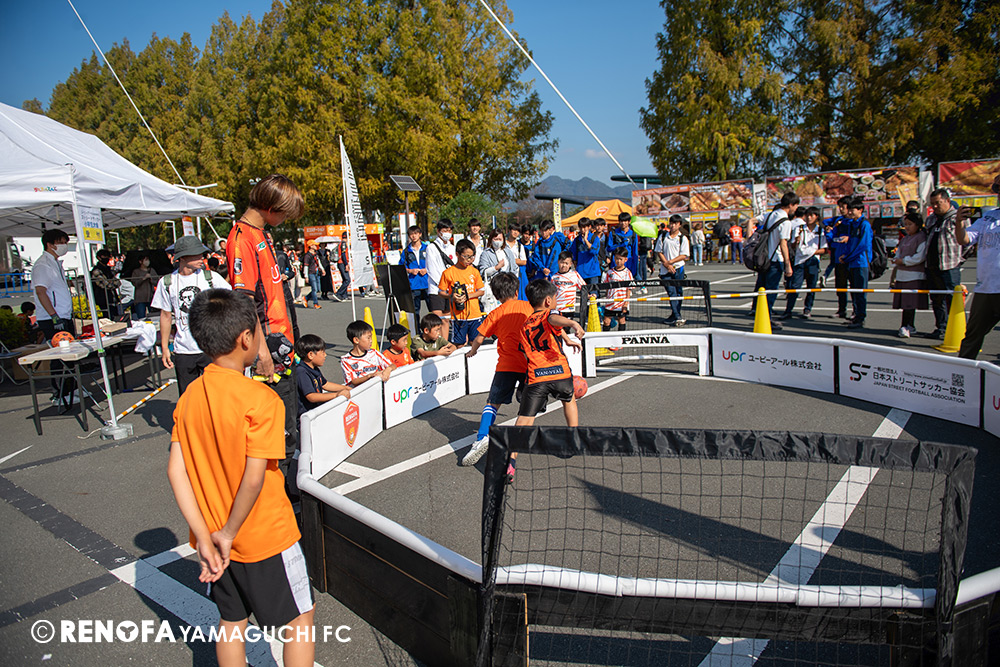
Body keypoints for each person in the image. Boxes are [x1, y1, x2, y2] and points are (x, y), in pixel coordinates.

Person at [167, 288, 315, 666]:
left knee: (231, 622)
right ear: (246, 338)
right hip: (263, 533)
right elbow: (254, 478)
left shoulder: (190, 395)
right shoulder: (261, 399)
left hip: (213, 535)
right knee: (299, 621)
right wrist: (229, 533)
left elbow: (175, 470)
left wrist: (205, 536)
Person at [226, 173, 304, 496]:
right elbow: (244, 301)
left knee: (290, 428)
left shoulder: (261, 235)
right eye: (285, 212)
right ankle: (276, 502)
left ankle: (286, 497)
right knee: (277, 436)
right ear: (271, 207)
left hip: (283, 345)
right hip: (267, 350)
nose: (286, 219)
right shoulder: (241, 238)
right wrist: (260, 352)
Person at [510, 279, 586, 482]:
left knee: (525, 418)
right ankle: (573, 438)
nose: (555, 301)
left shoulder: (525, 325)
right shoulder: (550, 314)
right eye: (554, 298)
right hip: (559, 372)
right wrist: (573, 323)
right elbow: (553, 319)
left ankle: (511, 459)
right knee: (569, 401)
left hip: (537, 376)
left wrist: (566, 339)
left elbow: (546, 330)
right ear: (547, 301)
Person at [461, 273, 533, 466]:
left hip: (506, 365)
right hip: (529, 365)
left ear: (496, 295)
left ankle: (482, 436)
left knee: (492, 403)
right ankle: (514, 447)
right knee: (527, 409)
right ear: (517, 291)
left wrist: (472, 351)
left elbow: (479, 337)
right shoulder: (529, 307)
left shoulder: (495, 313)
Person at [152, 235, 232, 395]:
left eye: (202, 254)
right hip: (183, 350)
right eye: (196, 254)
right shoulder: (167, 282)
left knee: (217, 395)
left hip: (211, 348)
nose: (202, 258)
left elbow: (232, 302)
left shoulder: (210, 278)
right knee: (189, 398)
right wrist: (165, 347)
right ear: (182, 257)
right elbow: (166, 316)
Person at [956, 173, 1000, 358]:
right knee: (972, 336)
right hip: (985, 288)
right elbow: (964, 239)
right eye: (997, 188)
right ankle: (963, 370)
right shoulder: (989, 217)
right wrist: (959, 221)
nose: (998, 192)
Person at [751, 192, 798, 330]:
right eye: (796, 205)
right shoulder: (786, 222)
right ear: (791, 205)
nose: (796, 209)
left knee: (762, 289)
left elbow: (751, 220)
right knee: (771, 291)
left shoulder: (770, 215)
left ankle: (759, 314)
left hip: (764, 258)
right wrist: (788, 265)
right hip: (776, 260)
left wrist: (749, 239)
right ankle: (767, 318)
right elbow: (783, 244)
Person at [924, 188, 962, 339]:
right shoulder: (931, 219)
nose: (934, 206)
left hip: (950, 265)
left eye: (938, 203)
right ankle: (941, 327)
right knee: (936, 299)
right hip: (932, 265)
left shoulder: (957, 218)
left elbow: (968, 242)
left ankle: (956, 331)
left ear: (947, 201)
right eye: (932, 203)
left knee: (952, 299)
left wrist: (959, 259)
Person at [778, 206, 827, 320]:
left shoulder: (820, 231)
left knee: (811, 287)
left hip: (813, 260)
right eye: (807, 215)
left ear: (816, 217)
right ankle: (788, 310)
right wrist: (796, 242)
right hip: (799, 261)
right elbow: (793, 246)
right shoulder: (799, 229)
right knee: (795, 286)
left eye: (811, 215)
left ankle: (807, 309)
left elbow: (825, 249)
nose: (809, 218)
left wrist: (812, 252)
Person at [438, 239, 485, 346]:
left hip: (475, 314)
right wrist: (452, 296)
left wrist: (468, 296)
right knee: (459, 344)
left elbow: (481, 291)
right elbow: (441, 292)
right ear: (457, 254)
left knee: (475, 343)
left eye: (472, 257)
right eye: (466, 256)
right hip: (458, 316)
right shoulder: (448, 273)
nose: (469, 260)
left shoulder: (474, 271)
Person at [889, 212, 929, 338]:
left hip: (914, 275)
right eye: (905, 224)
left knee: (909, 303)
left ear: (917, 225)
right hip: (902, 274)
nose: (907, 227)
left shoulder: (921, 238)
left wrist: (904, 261)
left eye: (910, 224)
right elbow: (898, 252)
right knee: (904, 303)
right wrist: (896, 259)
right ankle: (907, 325)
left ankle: (907, 326)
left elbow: (920, 257)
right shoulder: (905, 238)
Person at [293, 333, 350, 415]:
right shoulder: (301, 372)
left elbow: (325, 384)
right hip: (308, 415)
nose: (325, 355)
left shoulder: (314, 368)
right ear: (311, 355)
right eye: (322, 352)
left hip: (317, 410)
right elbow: (311, 396)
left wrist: (345, 388)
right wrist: (336, 395)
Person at [32, 229, 74, 339]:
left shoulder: (55, 263)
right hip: (52, 318)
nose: (64, 245)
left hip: (63, 315)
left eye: (65, 243)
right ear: (50, 245)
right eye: (60, 243)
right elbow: (40, 292)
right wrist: (54, 316)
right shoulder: (43, 265)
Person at [838, 197, 873, 329]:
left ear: (860, 210)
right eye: (849, 209)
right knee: (854, 291)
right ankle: (856, 315)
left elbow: (862, 245)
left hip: (861, 262)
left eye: (852, 210)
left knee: (860, 292)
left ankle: (860, 317)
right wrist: (845, 255)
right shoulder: (853, 224)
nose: (850, 212)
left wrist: (848, 257)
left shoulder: (864, 225)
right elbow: (850, 243)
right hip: (852, 262)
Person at [654, 215, 690, 326]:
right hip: (665, 270)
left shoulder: (682, 238)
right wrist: (666, 264)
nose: (673, 225)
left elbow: (684, 255)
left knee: (679, 292)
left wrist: (671, 262)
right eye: (671, 223)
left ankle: (675, 314)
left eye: (675, 223)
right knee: (671, 292)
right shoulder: (663, 236)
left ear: (679, 225)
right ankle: (677, 316)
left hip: (678, 268)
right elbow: (659, 251)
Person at [426, 219, 457, 339]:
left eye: (449, 230)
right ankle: (436, 344)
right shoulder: (431, 247)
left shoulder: (452, 248)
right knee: (437, 320)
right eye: (445, 230)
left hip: (450, 289)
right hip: (436, 289)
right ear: (439, 231)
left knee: (446, 319)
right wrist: (443, 285)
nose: (447, 233)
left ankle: (445, 343)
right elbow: (431, 269)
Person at [340, 320, 395, 386]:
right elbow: (353, 381)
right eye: (368, 338)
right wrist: (370, 376)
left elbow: (392, 365)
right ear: (356, 340)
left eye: (371, 337)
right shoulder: (346, 360)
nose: (371, 341)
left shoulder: (374, 353)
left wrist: (388, 369)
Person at [824, 197, 853, 318]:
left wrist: (848, 238)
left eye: (843, 206)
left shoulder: (855, 222)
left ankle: (856, 311)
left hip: (852, 258)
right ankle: (841, 310)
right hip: (838, 257)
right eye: (839, 206)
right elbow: (831, 236)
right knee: (840, 286)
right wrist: (829, 231)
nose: (841, 209)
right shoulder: (838, 220)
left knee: (855, 287)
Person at [478, 228, 516, 314]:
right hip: (494, 287)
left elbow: (514, 268)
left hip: (508, 287)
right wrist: (496, 267)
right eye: (496, 239)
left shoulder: (508, 252)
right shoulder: (486, 253)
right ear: (491, 240)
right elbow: (483, 272)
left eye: (500, 239)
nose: (498, 241)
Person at [400, 226, 429, 319]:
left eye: (416, 233)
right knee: (415, 311)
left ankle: (433, 327)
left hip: (428, 282)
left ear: (420, 234)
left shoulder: (428, 248)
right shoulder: (406, 251)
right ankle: (417, 327)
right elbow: (401, 266)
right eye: (411, 234)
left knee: (433, 309)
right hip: (414, 284)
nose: (414, 236)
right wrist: (410, 270)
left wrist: (427, 269)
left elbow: (435, 263)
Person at [602, 247, 633, 331]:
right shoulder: (610, 272)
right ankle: (605, 338)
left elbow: (629, 289)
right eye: (616, 258)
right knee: (606, 321)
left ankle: (621, 338)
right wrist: (607, 297)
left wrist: (626, 303)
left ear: (625, 259)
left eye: (620, 259)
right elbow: (607, 286)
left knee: (621, 320)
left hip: (622, 301)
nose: (618, 261)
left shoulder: (627, 273)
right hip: (611, 301)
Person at [551, 251, 586, 319]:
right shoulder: (554, 277)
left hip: (569, 309)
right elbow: (551, 293)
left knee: (567, 325)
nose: (564, 265)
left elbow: (584, 288)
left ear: (570, 264)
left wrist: (589, 295)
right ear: (558, 262)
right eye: (562, 262)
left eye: (566, 263)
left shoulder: (575, 275)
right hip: (557, 308)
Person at [573, 218, 602, 293]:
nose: (583, 230)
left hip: (593, 272)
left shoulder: (594, 238)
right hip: (581, 272)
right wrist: (576, 265)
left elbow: (594, 251)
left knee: (593, 295)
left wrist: (586, 240)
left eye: (585, 227)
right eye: (581, 227)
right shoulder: (577, 240)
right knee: (584, 295)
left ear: (589, 227)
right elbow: (573, 254)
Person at [91, 248, 122, 318]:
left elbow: (118, 283)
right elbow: (105, 285)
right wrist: (111, 283)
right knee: (108, 317)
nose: (107, 258)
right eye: (104, 256)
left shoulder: (108, 269)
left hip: (112, 298)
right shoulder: (96, 270)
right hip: (103, 299)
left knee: (116, 317)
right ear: (99, 258)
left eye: (108, 256)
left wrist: (111, 282)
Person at [608, 212, 639, 278]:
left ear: (629, 222)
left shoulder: (633, 234)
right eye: (621, 221)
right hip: (616, 263)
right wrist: (620, 245)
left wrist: (635, 267)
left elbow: (635, 251)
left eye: (625, 221)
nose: (623, 223)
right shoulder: (613, 233)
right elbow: (609, 248)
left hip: (629, 263)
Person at [130, 253, 157, 320]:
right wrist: (143, 279)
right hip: (140, 298)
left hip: (151, 297)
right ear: (140, 261)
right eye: (145, 260)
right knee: (141, 318)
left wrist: (151, 279)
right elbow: (135, 283)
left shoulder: (152, 270)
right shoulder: (136, 272)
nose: (147, 262)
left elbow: (157, 281)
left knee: (153, 317)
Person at [505, 225, 529, 300]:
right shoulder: (503, 244)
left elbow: (524, 261)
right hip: (504, 274)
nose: (516, 232)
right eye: (514, 230)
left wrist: (511, 260)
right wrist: (516, 260)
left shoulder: (519, 246)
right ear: (509, 230)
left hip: (516, 275)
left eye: (518, 231)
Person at [302, 241, 325, 308]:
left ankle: (306, 298)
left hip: (316, 272)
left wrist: (322, 269)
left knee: (317, 289)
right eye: (314, 245)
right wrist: (306, 276)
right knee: (314, 289)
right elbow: (306, 266)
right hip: (311, 273)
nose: (316, 246)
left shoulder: (315, 254)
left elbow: (318, 262)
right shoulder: (307, 256)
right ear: (311, 246)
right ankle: (315, 303)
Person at [334, 233, 351, 301]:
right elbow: (343, 254)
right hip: (342, 263)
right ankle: (338, 293)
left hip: (341, 263)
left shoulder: (340, 243)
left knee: (345, 280)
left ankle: (344, 295)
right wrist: (346, 264)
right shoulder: (343, 244)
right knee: (347, 280)